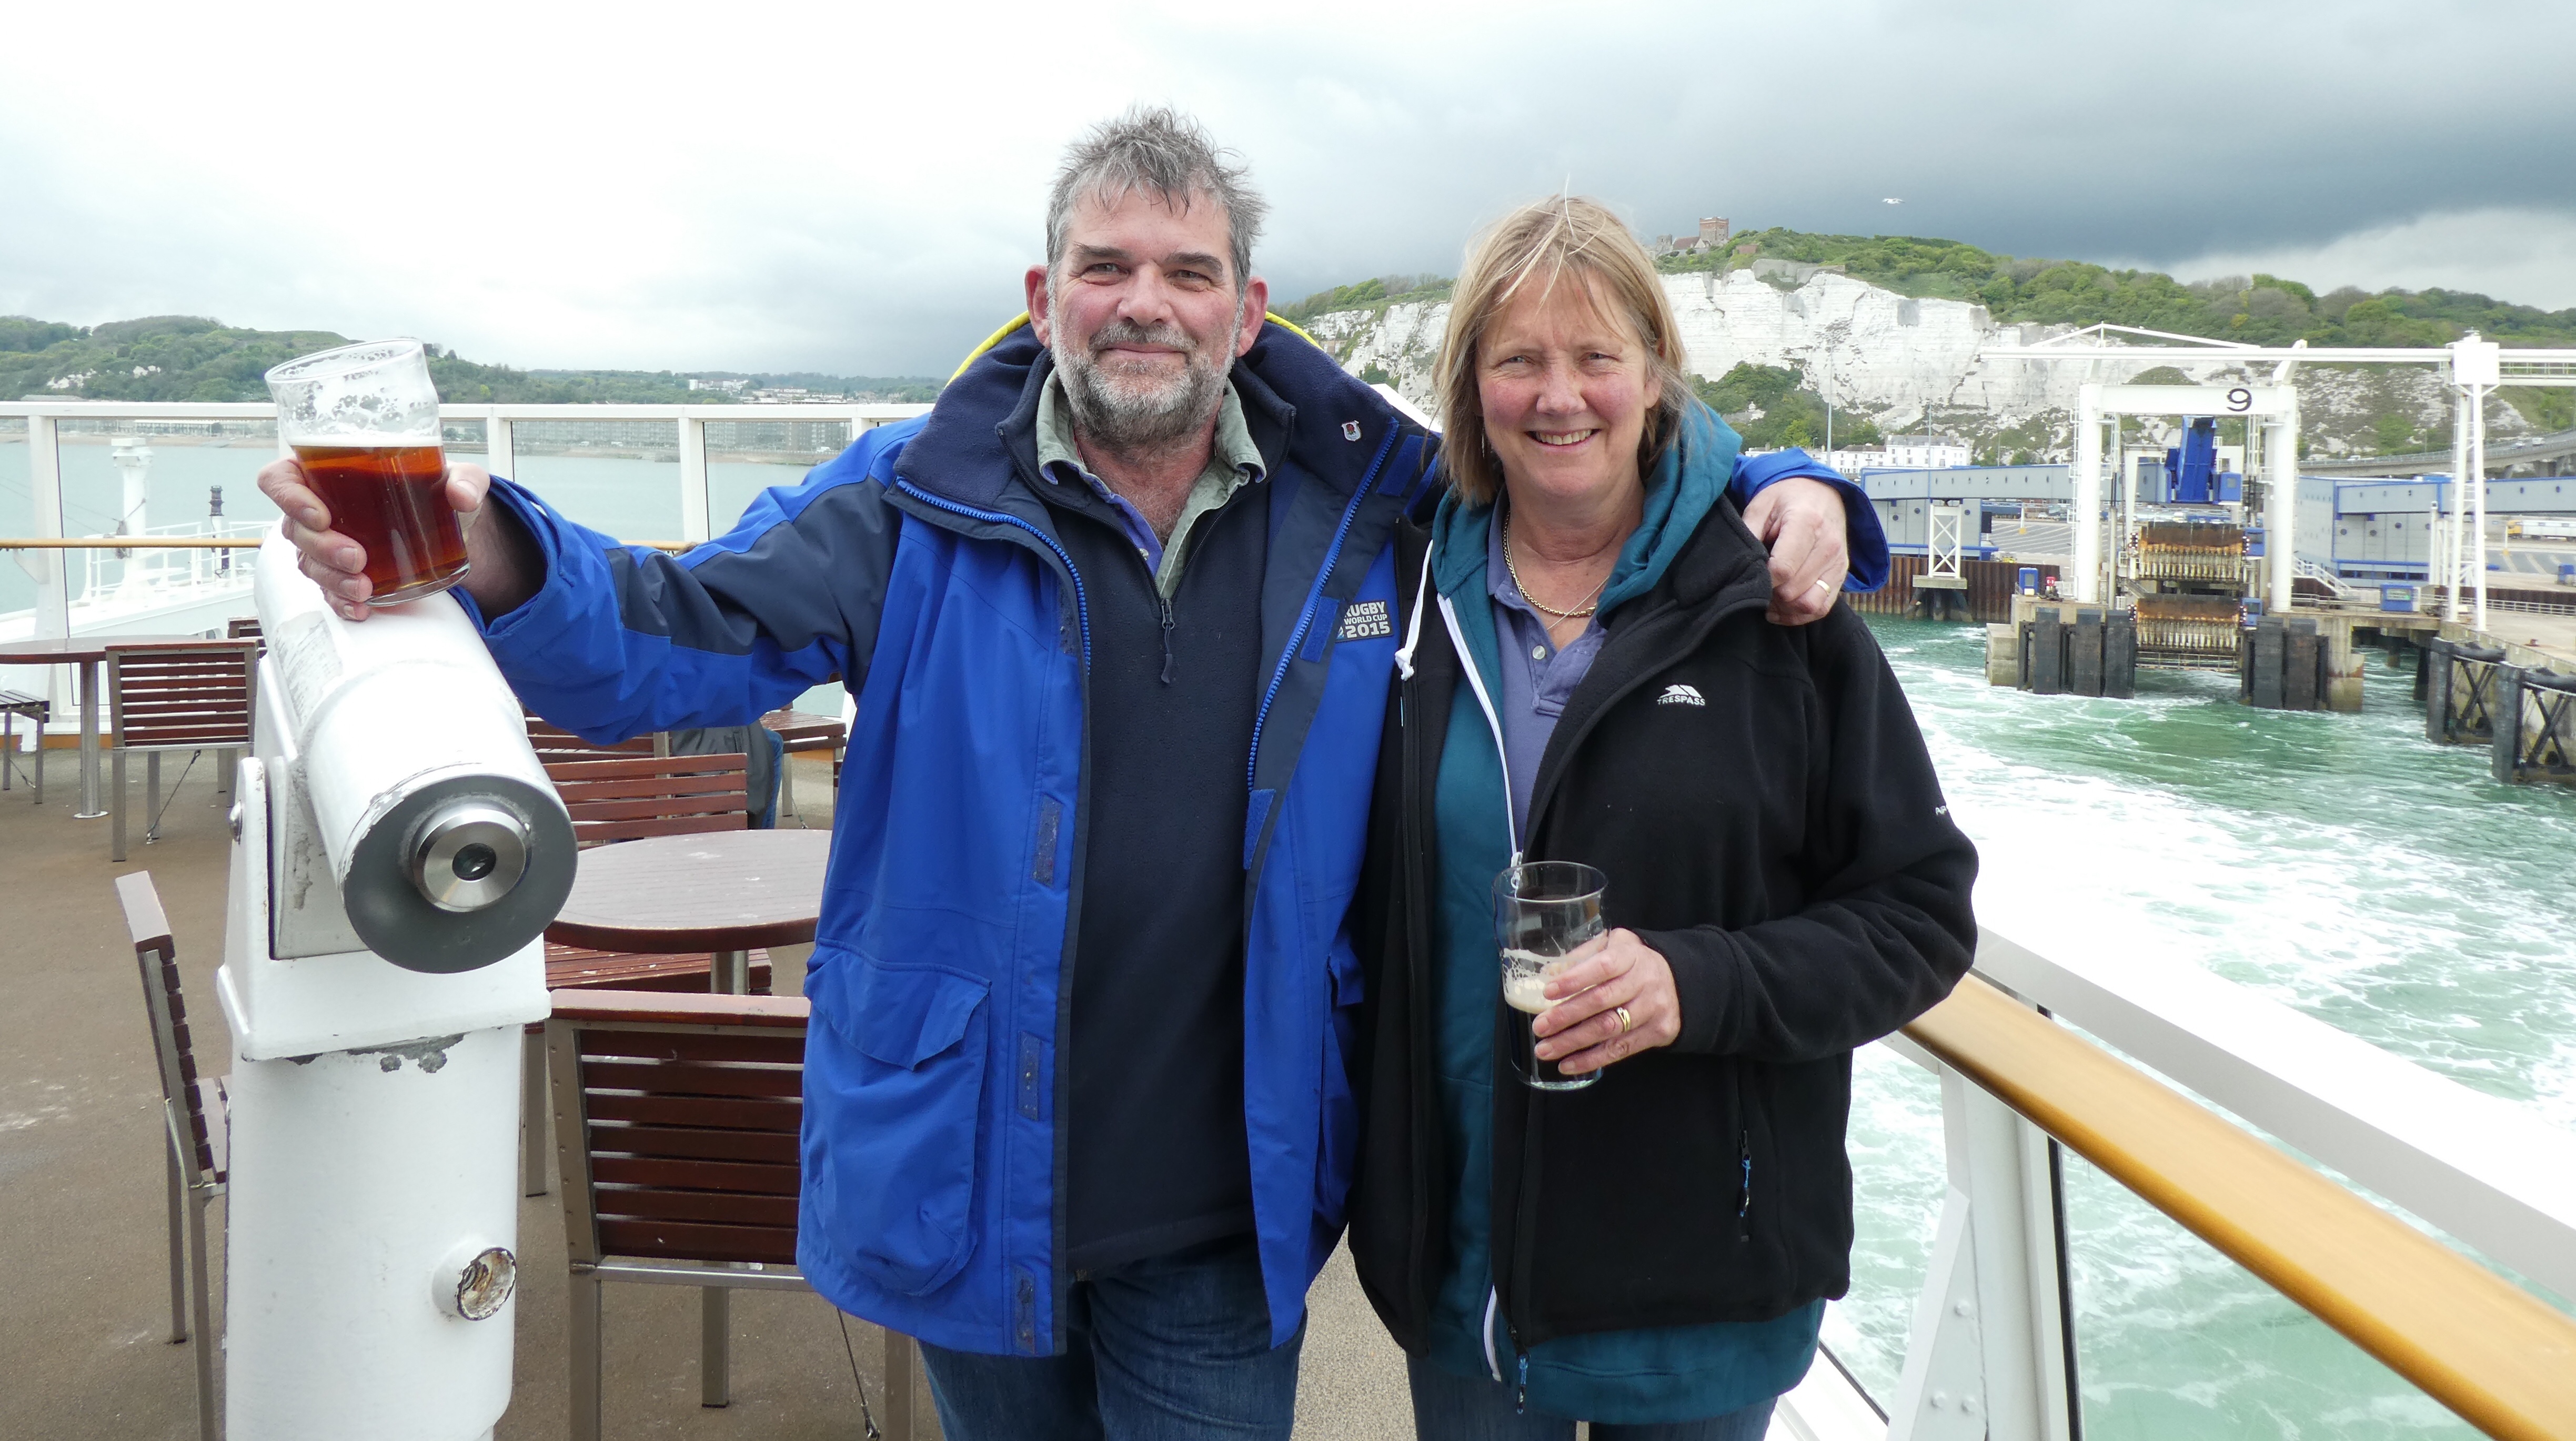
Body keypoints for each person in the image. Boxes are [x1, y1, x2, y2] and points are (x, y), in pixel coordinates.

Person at [260, 112, 1879, 1441]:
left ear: (1249, 312)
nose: (1144, 304)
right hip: (967, 1174)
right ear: (1044, 299)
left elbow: (1580, 437)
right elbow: (677, 635)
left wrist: (1794, 481)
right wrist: (484, 545)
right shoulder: (911, 502)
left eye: (1188, 273)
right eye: (1106, 268)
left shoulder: (1361, 505)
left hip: (1224, 1205)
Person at [1346, 198, 1976, 1441]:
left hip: (1702, 1293)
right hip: (1464, 1279)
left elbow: (1920, 914)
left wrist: (1698, 985)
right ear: (1471, 388)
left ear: (1654, 375)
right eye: (1519, 359)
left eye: (1597, 356)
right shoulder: (1408, 595)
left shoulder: (1774, 611)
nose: (1559, 395)